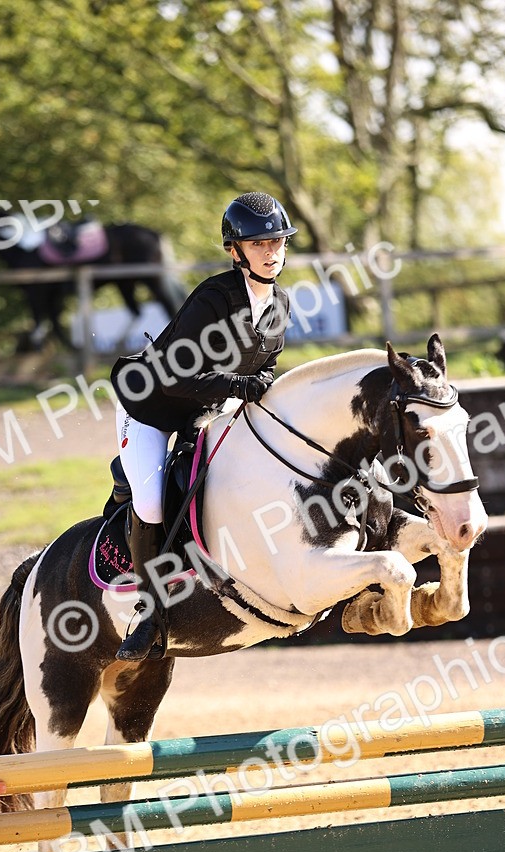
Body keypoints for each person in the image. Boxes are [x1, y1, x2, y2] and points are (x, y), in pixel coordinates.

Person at [110, 191, 297, 662]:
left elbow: (268, 365)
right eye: (258, 244)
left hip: (205, 409)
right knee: (152, 499)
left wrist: (257, 386)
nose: (271, 252)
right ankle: (149, 613)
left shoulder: (281, 303)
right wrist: (239, 383)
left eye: (277, 242)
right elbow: (174, 376)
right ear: (236, 251)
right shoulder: (214, 299)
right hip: (150, 405)